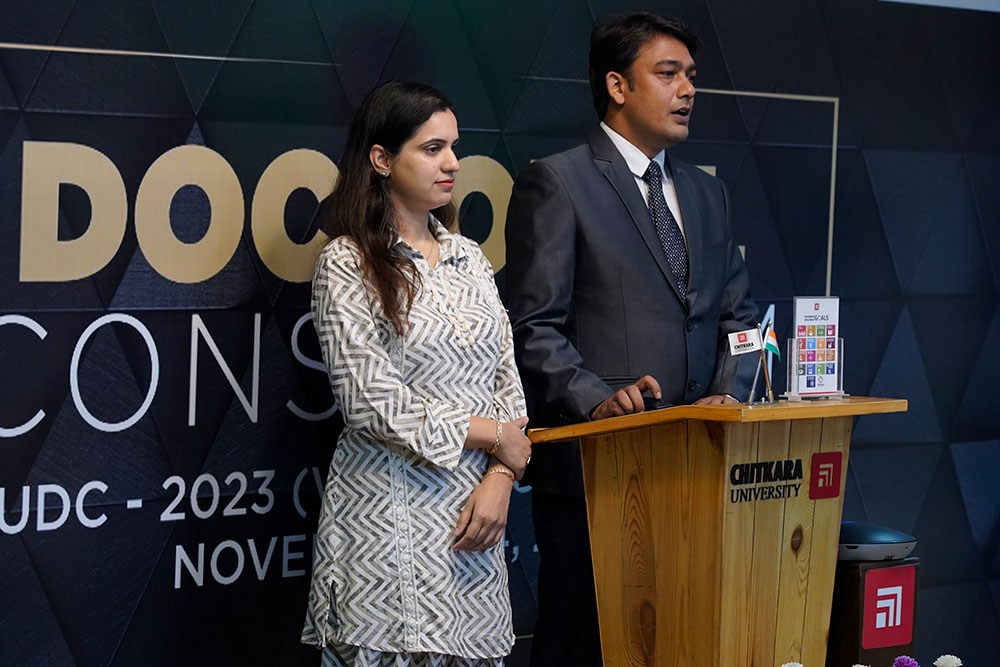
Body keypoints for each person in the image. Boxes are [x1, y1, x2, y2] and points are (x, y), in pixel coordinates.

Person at [503, 13, 759, 666]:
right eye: (668, 74)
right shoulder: (558, 181)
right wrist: (595, 398)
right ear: (617, 86)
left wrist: (731, 395)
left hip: (700, 469)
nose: (688, 90)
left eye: (691, 76)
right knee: (583, 646)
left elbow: (740, 320)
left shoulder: (708, 192)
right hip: (599, 475)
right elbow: (534, 327)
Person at [304, 80, 532, 667]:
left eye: (454, 147)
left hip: (475, 529)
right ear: (381, 159)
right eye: (432, 149)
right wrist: (495, 437)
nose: (452, 163)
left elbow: (507, 378)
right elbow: (369, 400)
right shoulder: (346, 262)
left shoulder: (469, 257)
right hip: (384, 534)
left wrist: (501, 476)